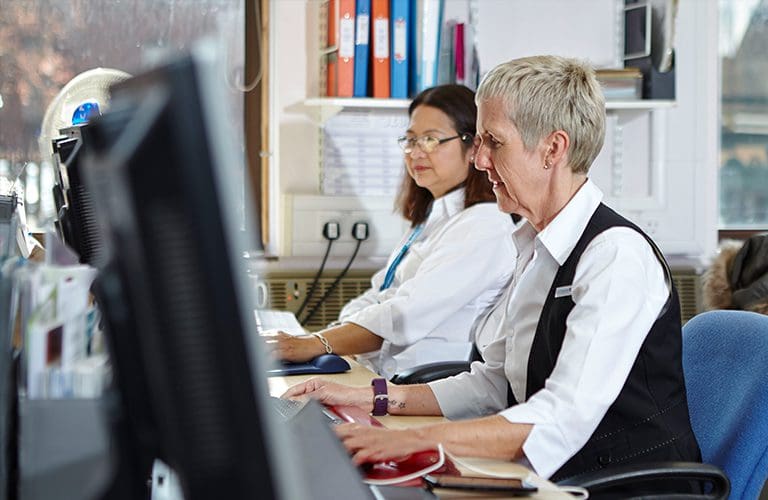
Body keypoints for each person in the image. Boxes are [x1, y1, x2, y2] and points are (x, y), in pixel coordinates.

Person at [282, 56, 701, 482]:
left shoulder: (614, 256)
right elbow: (493, 385)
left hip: (628, 487)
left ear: (552, 149)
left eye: (493, 142)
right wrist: (373, 398)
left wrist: (415, 440)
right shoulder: (536, 247)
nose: (478, 159)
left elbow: (561, 416)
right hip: (563, 477)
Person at [267, 84, 516, 379]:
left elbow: (406, 314)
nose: (416, 152)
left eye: (431, 140)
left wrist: (313, 344)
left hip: (422, 386)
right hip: (379, 372)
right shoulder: (433, 219)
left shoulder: (483, 226)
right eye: (410, 140)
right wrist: (325, 339)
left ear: (473, 146)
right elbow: (380, 294)